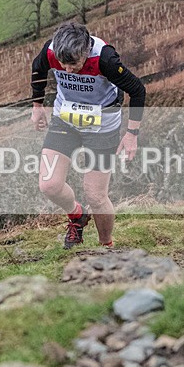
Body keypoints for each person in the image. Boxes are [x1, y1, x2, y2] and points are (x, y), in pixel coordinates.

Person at [30, 21, 146, 249]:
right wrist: (36, 105)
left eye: (73, 64)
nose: (67, 69)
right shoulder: (52, 51)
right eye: (62, 64)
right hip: (66, 120)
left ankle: (106, 246)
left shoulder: (105, 59)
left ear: (85, 52)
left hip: (102, 127)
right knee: (49, 185)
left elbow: (137, 90)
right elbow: (38, 68)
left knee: (95, 195)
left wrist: (132, 133)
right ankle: (77, 216)